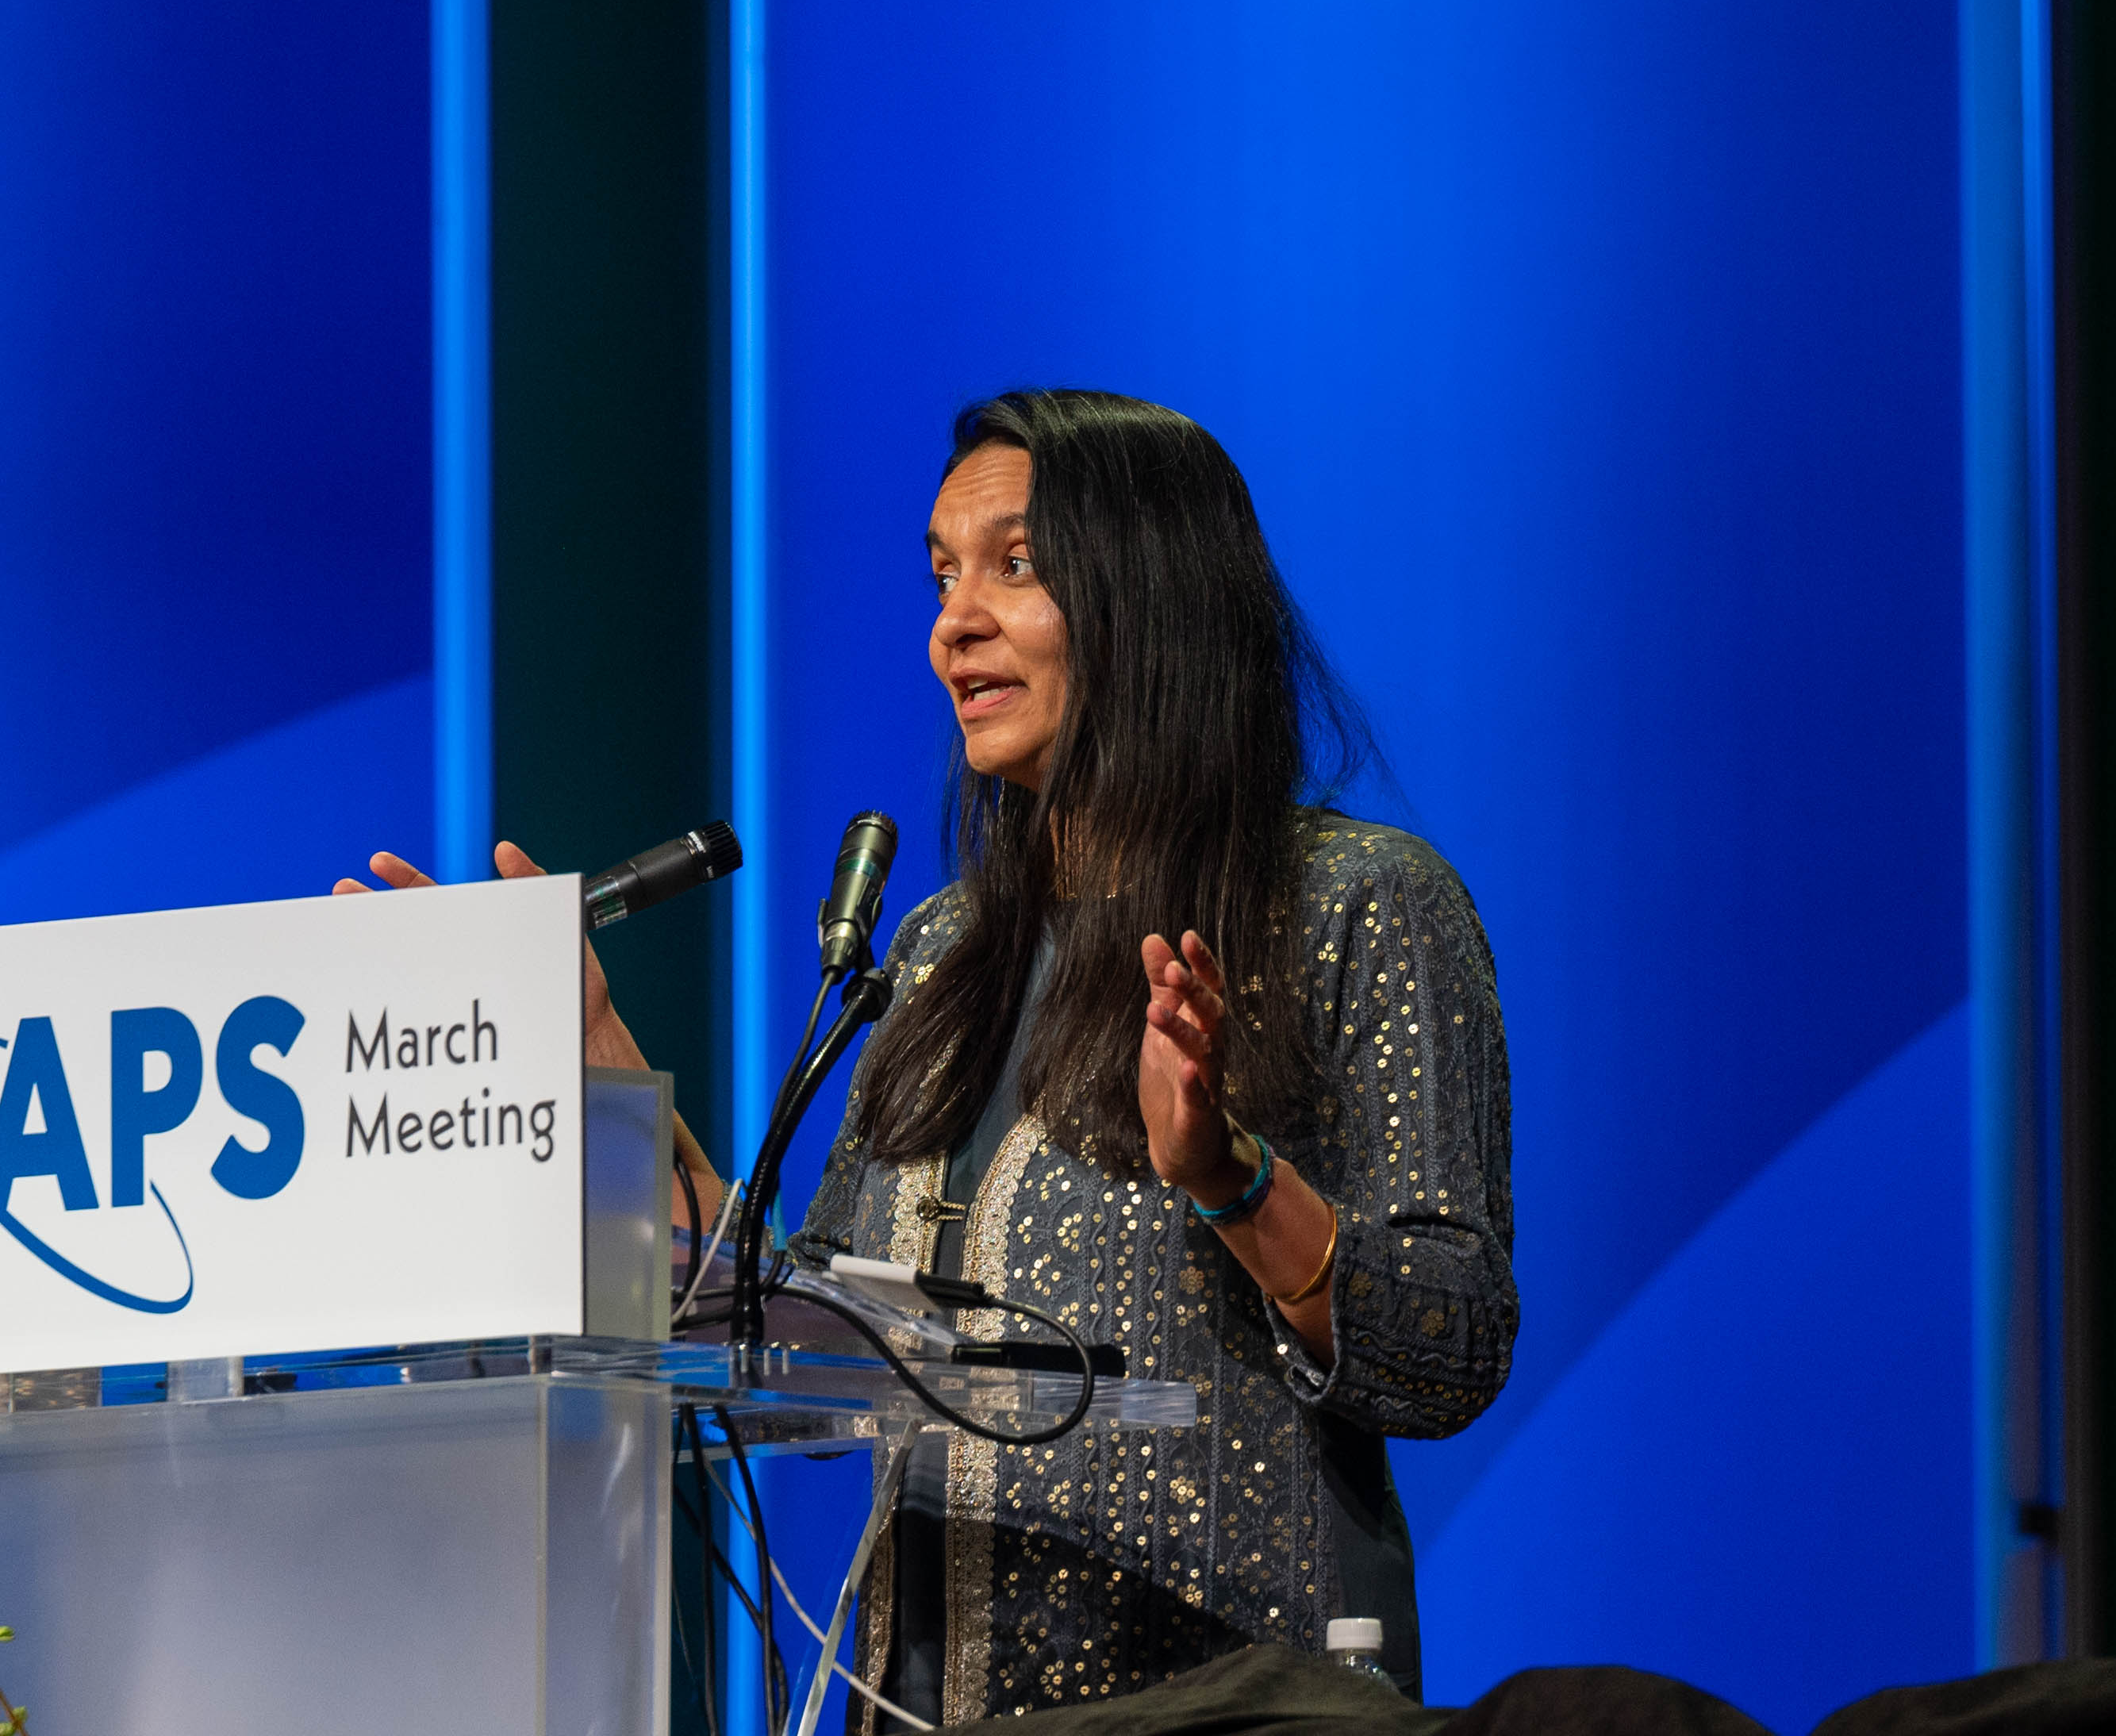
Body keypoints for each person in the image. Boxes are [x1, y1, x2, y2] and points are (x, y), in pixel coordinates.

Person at [344, 388, 1517, 1723]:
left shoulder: (1357, 905)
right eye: (942, 573)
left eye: (1015, 567)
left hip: (1229, 1706)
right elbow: (802, 1316)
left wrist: (1231, 1177)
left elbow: (1446, 1345)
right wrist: (594, 1055)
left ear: (1156, 596)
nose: (951, 623)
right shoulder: (943, 950)